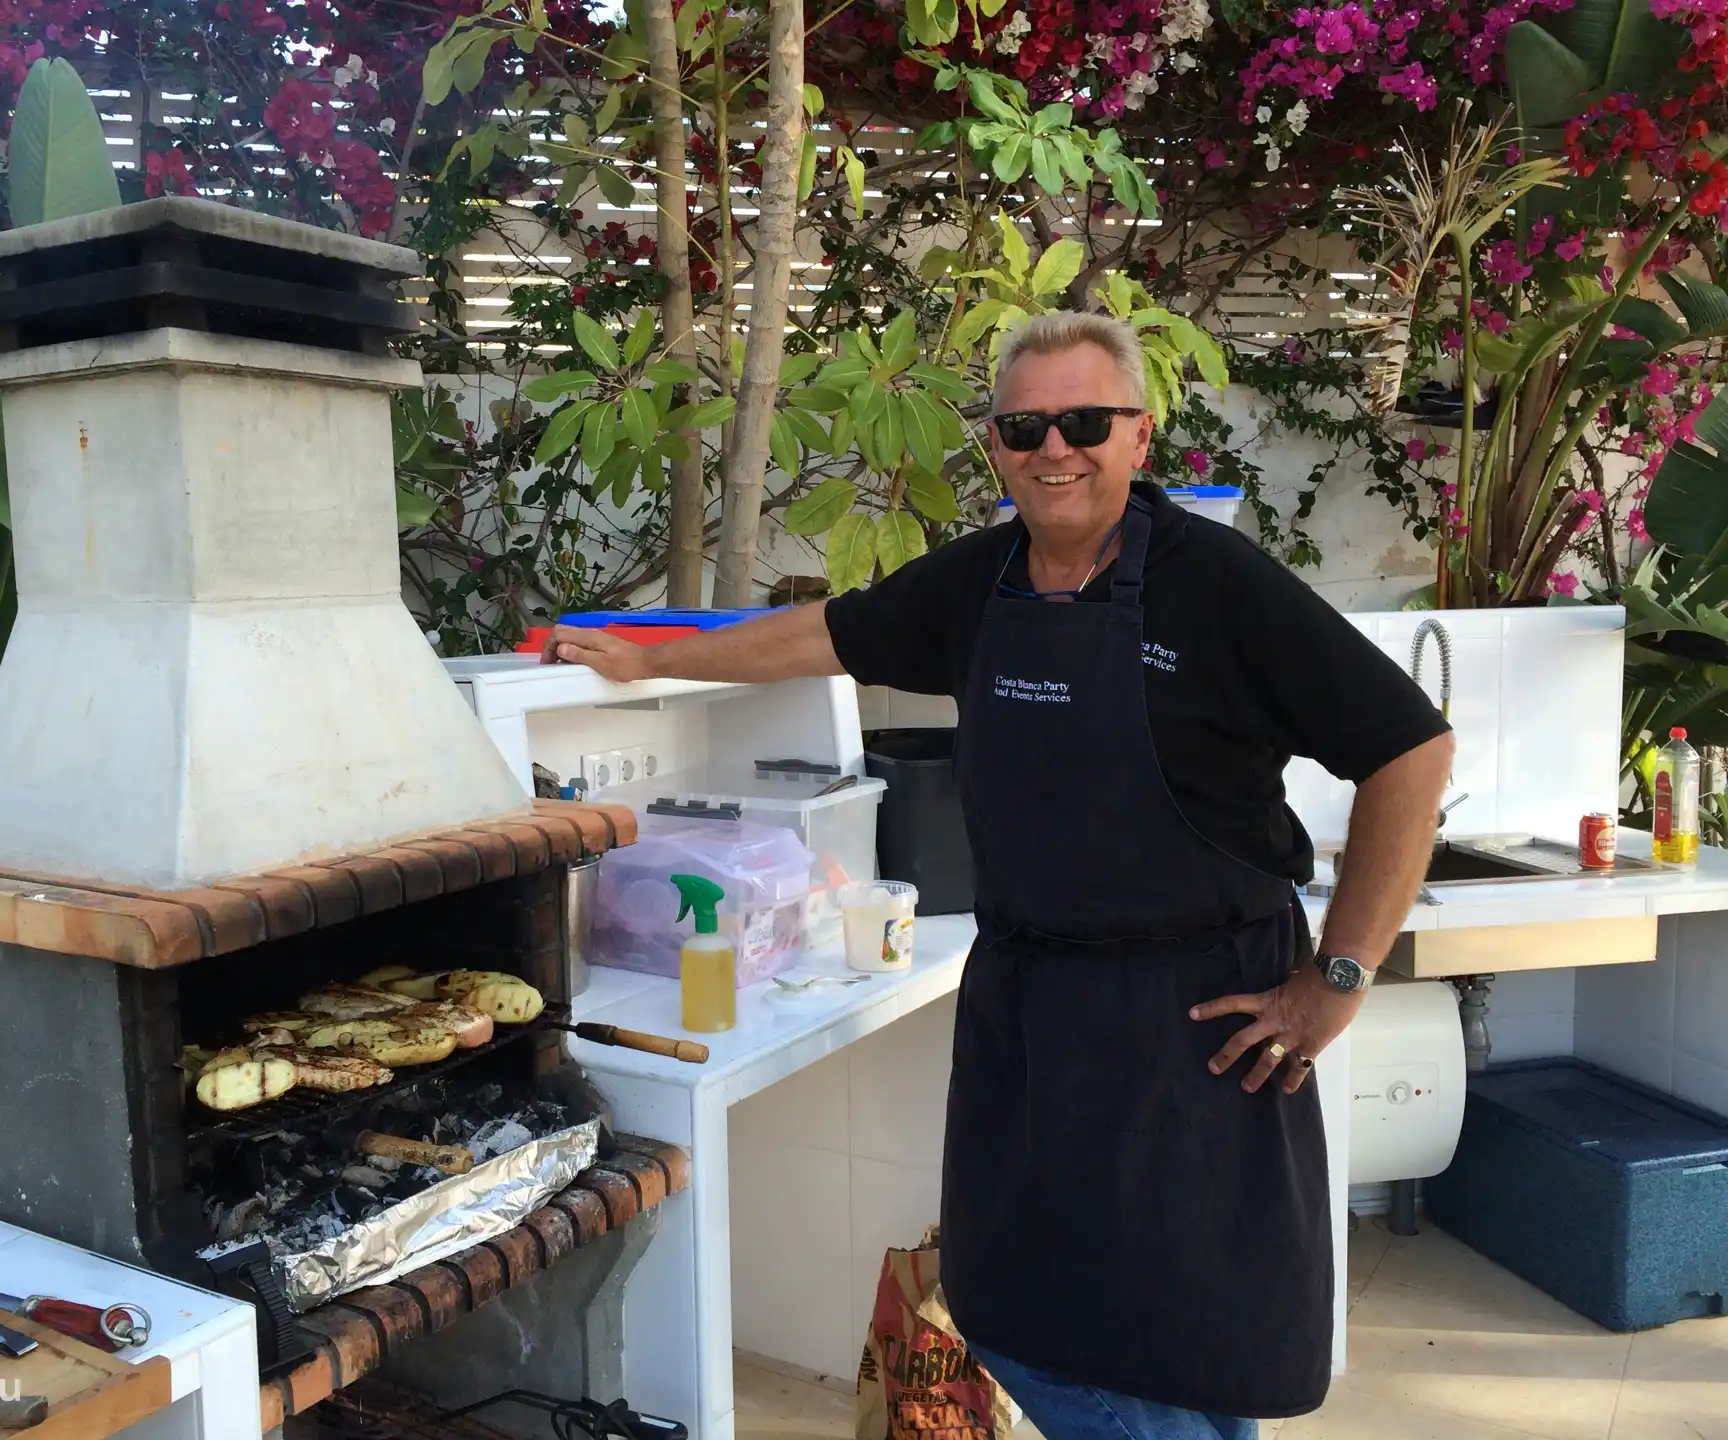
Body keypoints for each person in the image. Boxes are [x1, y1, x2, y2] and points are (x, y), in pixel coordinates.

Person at [542, 311, 1454, 1439]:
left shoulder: (1217, 586)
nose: (1054, 448)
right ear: (995, 446)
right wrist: (653, 659)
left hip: (1195, 1028)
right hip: (1031, 1010)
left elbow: (1409, 747)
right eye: (1026, 427)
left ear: (1140, 436)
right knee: (1023, 1317)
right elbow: (826, 634)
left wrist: (1343, 974)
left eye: (1084, 421)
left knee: (1179, 1345)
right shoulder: (983, 581)